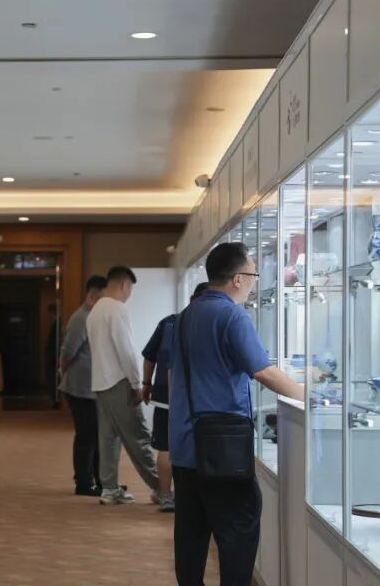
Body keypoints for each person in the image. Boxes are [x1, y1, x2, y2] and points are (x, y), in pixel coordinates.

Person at [167, 242, 304, 585]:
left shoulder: (185, 316)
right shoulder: (232, 315)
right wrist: (311, 397)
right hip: (223, 452)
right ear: (238, 278)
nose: (255, 282)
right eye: (254, 274)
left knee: (190, 540)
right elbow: (263, 371)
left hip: (185, 446)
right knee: (237, 540)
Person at [85, 265, 161, 505]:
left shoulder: (95, 310)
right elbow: (126, 351)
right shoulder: (117, 309)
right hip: (119, 382)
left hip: (101, 382)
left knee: (108, 438)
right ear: (124, 284)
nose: (129, 295)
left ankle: (109, 488)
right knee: (138, 437)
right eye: (131, 289)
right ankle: (162, 488)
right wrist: (137, 383)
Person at [141, 281, 209, 513]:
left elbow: (149, 356)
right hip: (198, 397)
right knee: (195, 445)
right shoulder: (210, 324)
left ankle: (166, 496)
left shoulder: (169, 322)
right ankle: (190, 497)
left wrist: (146, 384)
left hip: (165, 395)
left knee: (165, 446)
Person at [59, 275, 108, 496]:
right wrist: (63, 371)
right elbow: (67, 351)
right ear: (91, 297)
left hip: (91, 387)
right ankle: (84, 482)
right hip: (80, 388)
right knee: (86, 435)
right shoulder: (81, 318)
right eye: (103, 298)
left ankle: (101, 480)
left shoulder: (94, 316)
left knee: (95, 435)